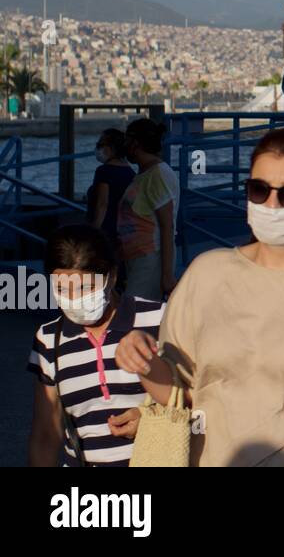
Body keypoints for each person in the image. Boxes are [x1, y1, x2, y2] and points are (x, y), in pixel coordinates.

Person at [116, 127, 284, 466]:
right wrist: (142, 361)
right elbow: (180, 394)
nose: (272, 204)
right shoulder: (206, 274)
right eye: (259, 190)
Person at [27, 224, 164, 467]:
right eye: (61, 288)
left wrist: (151, 419)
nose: (73, 298)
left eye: (86, 287)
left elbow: (200, 397)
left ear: (111, 275)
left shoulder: (160, 319)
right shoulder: (49, 339)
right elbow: (46, 436)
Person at [117, 118, 179, 301]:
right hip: (137, 258)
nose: (125, 146)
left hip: (151, 259)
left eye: (126, 140)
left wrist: (167, 275)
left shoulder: (158, 175)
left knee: (134, 314)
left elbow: (167, 226)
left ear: (135, 143)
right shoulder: (145, 173)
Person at [86, 128, 134, 258]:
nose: (98, 148)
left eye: (100, 144)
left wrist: (93, 232)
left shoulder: (104, 171)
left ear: (111, 148)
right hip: (124, 230)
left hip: (106, 229)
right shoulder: (130, 172)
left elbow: (102, 204)